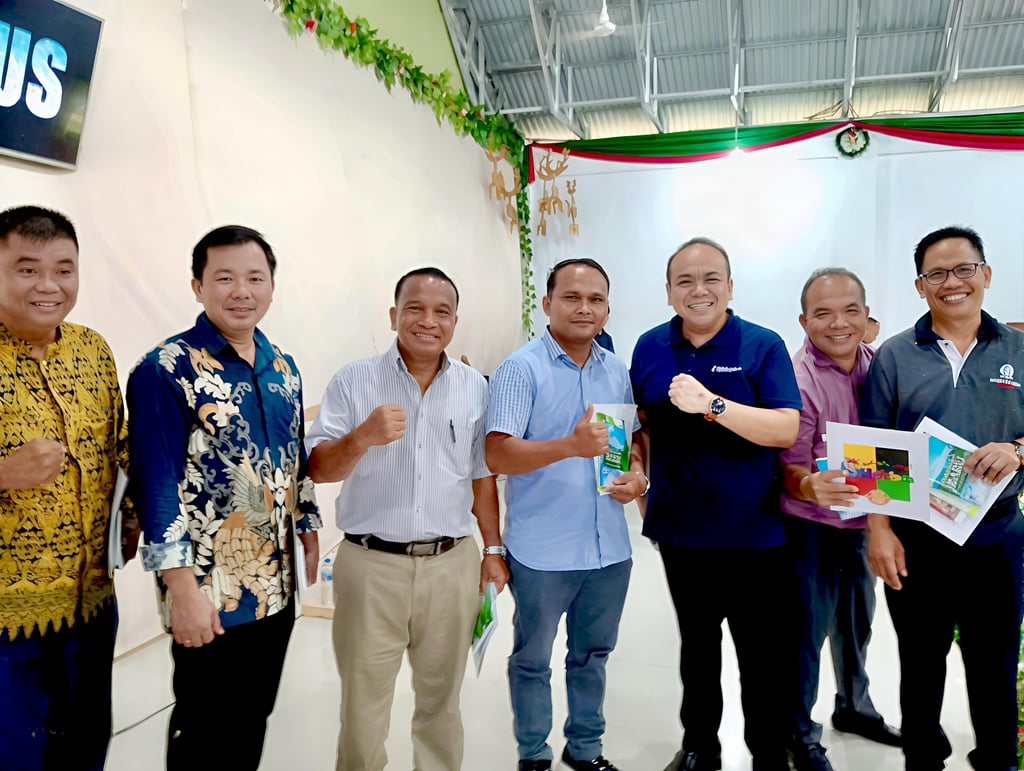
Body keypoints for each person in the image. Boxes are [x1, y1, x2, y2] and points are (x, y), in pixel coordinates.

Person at [126, 225, 321, 771]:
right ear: (198, 286)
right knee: (205, 729)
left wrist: (307, 522)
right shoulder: (165, 369)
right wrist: (180, 590)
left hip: (276, 588)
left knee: (253, 718)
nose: (242, 291)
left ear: (272, 286)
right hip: (208, 593)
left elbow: (295, 455)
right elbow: (155, 484)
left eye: (255, 278)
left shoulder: (282, 367)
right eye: (225, 278)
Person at [305, 267, 507, 771]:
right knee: (363, 706)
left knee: (442, 703)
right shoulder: (354, 380)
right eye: (415, 308)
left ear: (455, 321)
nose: (428, 321)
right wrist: (361, 437)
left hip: (451, 563)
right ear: (394, 315)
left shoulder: (475, 388)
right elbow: (319, 468)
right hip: (371, 565)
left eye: (442, 312)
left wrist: (493, 549)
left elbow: (481, 477)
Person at [630, 237, 802, 771]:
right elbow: (641, 425)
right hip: (681, 531)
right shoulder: (650, 346)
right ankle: (700, 747)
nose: (698, 290)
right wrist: (638, 474)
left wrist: (713, 404)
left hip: (755, 533)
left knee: (760, 654)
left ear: (729, 287)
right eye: (685, 280)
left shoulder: (762, 344)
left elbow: (785, 428)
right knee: (696, 648)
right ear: (668, 291)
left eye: (710, 279)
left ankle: (768, 754)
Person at [861, 225, 1024, 771]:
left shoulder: (1020, 349)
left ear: (986, 274)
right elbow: (874, 451)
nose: (952, 282)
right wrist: (880, 532)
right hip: (917, 537)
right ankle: (923, 760)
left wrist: (1018, 451)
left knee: (994, 663)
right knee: (920, 663)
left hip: (997, 534)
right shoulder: (893, 356)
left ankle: (998, 760)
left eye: (964, 269)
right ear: (920, 285)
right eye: (937, 273)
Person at [487, 257, 646, 771]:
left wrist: (638, 476)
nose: (584, 308)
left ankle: (586, 749)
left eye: (596, 299)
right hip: (542, 552)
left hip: (608, 550)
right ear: (548, 303)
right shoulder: (520, 369)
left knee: (592, 657)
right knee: (532, 661)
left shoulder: (615, 369)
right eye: (572, 297)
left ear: (607, 309)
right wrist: (568, 446)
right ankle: (534, 754)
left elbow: (629, 443)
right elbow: (497, 454)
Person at [0, 205, 131, 771]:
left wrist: (135, 511)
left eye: (63, 269)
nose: (48, 285)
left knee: (83, 750)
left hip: (91, 602)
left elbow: (120, 445)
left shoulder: (92, 349)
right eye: (27, 269)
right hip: (6, 624)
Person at [779, 268, 900, 771]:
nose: (838, 324)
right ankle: (798, 733)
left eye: (850, 311)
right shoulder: (797, 378)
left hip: (865, 523)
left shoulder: (879, 365)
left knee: (857, 623)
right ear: (804, 320)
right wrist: (810, 484)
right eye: (823, 313)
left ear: (867, 317)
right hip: (810, 526)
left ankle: (854, 707)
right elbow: (788, 467)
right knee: (805, 632)